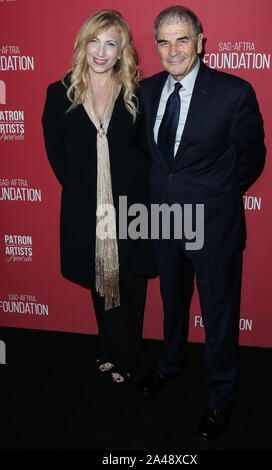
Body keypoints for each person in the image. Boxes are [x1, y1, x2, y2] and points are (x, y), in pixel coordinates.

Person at [139, 5, 265, 440]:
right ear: (155, 45)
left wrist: (214, 197)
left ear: (200, 40)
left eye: (182, 39)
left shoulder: (234, 92)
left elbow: (251, 159)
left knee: (218, 315)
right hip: (162, 219)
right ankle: (170, 365)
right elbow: (152, 157)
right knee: (173, 306)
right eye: (164, 41)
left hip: (213, 223)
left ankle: (220, 398)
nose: (173, 50)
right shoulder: (148, 89)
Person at [42, 10, 154, 384]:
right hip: (87, 207)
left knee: (131, 280)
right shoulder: (60, 93)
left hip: (133, 204)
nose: (101, 52)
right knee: (101, 277)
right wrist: (83, 188)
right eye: (95, 41)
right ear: (83, 44)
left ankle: (126, 355)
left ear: (122, 51)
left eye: (111, 44)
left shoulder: (138, 93)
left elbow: (147, 151)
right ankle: (112, 349)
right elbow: (57, 154)